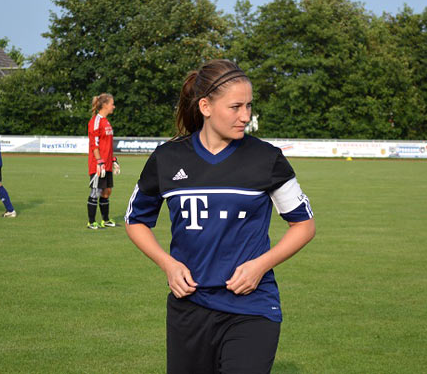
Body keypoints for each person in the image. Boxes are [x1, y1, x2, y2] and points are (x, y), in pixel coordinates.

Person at [125, 59, 315, 374]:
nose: (246, 116)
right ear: (206, 107)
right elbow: (136, 220)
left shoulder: (267, 158)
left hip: (252, 306)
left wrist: (260, 265)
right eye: (235, 107)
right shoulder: (167, 158)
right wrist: (168, 264)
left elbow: (304, 225)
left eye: (249, 106)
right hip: (189, 307)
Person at [86, 93, 119, 229]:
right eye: (112, 104)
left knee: (107, 191)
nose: (113, 106)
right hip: (98, 165)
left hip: (107, 164)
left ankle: (105, 220)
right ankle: (91, 221)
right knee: (96, 191)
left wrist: (113, 160)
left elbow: (107, 145)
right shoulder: (96, 121)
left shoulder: (106, 122)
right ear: (104, 105)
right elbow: (94, 144)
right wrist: (99, 161)